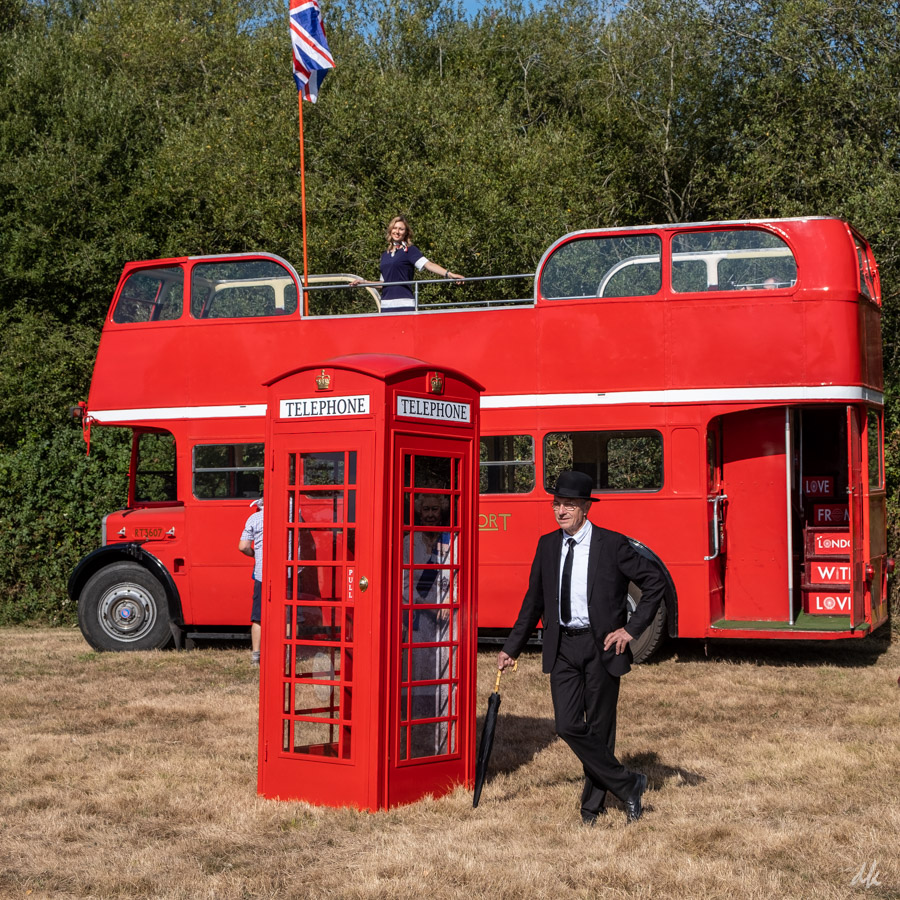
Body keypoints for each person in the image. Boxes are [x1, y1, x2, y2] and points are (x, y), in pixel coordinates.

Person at [498, 470, 667, 825]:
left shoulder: (612, 544)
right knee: (567, 725)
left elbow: (655, 582)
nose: (561, 511)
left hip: (601, 645)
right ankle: (628, 784)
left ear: (586, 508)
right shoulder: (547, 545)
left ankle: (592, 809)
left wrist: (631, 630)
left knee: (601, 728)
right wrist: (512, 648)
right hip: (562, 645)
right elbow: (533, 602)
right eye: (556, 504)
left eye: (569, 505)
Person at [403, 492, 455, 756]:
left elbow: (461, 578)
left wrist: (450, 601)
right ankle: (417, 733)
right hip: (418, 621)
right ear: (418, 512)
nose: (431, 514)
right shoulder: (408, 542)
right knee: (418, 676)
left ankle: (443, 735)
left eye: (435, 509)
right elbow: (403, 583)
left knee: (444, 674)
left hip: (447, 623)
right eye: (426, 510)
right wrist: (428, 606)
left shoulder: (452, 540)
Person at [353, 215, 463, 312]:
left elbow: (428, 265)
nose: (397, 231)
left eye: (401, 229)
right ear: (390, 230)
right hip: (386, 305)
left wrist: (449, 274)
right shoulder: (385, 255)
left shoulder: (410, 250)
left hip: (404, 304)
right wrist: (364, 282)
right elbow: (383, 283)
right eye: (395, 228)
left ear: (406, 233)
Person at [238, 497, 264, 666]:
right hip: (289, 572)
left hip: (263, 572)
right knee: (290, 617)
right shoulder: (293, 514)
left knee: (258, 616)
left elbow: (243, 546)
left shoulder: (255, 518)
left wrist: (256, 554)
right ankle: (289, 655)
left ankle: (256, 657)